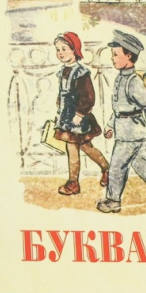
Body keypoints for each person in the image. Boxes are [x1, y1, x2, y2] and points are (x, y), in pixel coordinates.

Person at [96, 30, 146, 213]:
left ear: (129, 55)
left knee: (117, 167)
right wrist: (110, 125)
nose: (112, 58)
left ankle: (113, 201)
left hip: (131, 133)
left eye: (116, 54)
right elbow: (119, 109)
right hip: (126, 130)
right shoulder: (121, 78)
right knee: (141, 163)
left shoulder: (133, 81)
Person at [51, 31, 109, 196]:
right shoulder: (63, 71)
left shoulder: (81, 73)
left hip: (79, 118)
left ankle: (73, 183)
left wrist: (80, 114)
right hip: (66, 117)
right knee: (85, 147)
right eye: (58, 50)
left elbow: (89, 97)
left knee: (74, 147)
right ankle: (107, 169)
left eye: (64, 49)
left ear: (74, 50)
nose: (60, 53)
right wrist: (59, 107)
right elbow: (63, 93)